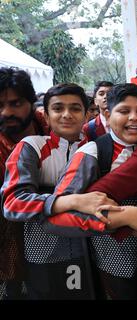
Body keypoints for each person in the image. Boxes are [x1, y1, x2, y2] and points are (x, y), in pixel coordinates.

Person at [46, 84, 137, 299]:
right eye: (124, 111)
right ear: (107, 114)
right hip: (115, 263)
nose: (134, 118)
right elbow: (58, 217)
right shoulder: (92, 153)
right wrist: (127, 222)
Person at [1, 83, 127, 299]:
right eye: (58, 108)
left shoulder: (99, 148)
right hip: (41, 254)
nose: (67, 115)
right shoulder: (30, 146)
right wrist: (73, 201)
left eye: (75, 108)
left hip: (88, 251)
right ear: (46, 117)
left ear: (87, 114)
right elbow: (13, 204)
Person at [0, 67, 49, 299]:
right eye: (0, 106)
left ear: (32, 102)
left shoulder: (53, 127)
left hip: (59, 241)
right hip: (9, 243)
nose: (6, 112)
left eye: (15, 103)